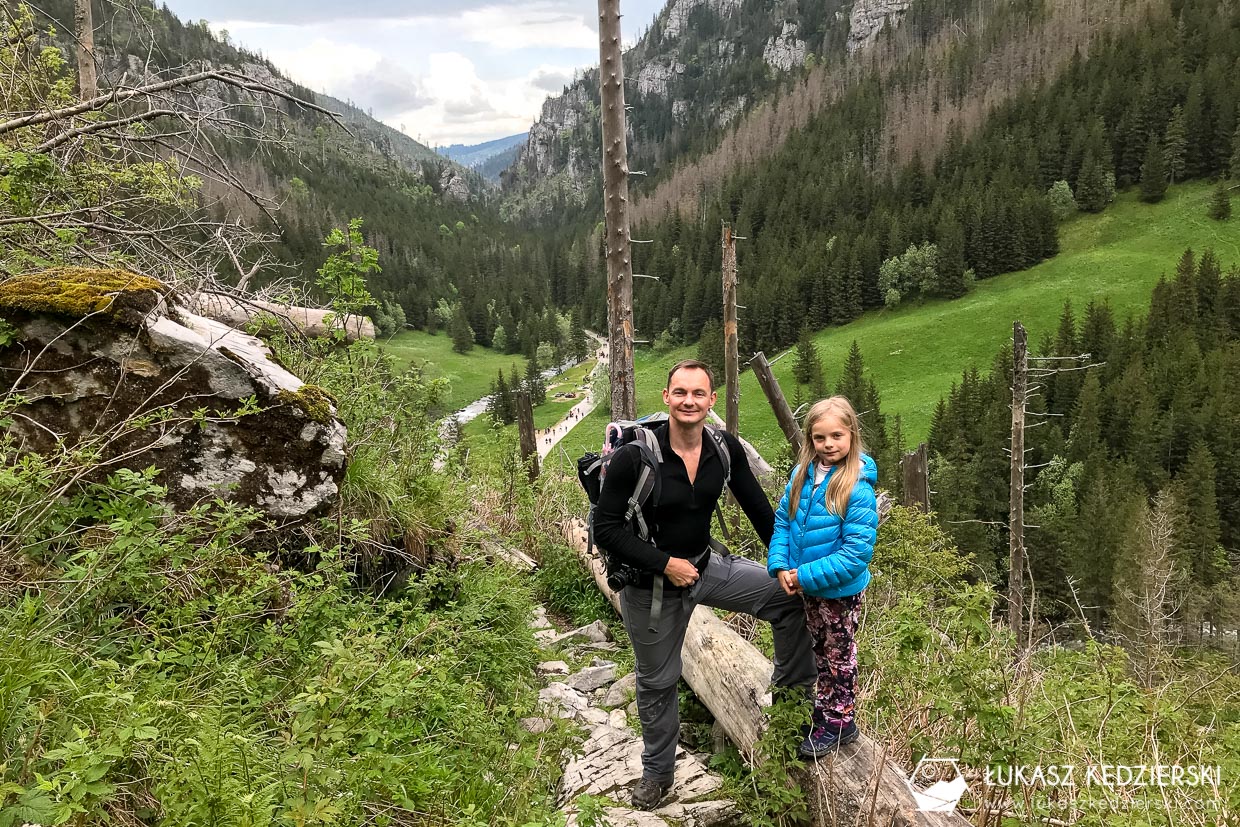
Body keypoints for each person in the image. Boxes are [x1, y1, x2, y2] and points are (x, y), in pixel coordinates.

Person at [593, 359, 816, 811]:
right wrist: (665, 563)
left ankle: (794, 713)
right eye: (680, 393)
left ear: (712, 401)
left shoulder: (721, 447)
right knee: (658, 680)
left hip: (706, 566)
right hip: (649, 585)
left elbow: (759, 511)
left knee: (790, 601)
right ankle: (658, 775)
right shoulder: (635, 456)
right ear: (666, 398)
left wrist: (787, 567)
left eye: (699, 394)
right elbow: (606, 530)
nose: (689, 401)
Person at [768, 396, 878, 758]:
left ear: (851, 435)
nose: (828, 444)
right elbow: (783, 521)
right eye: (819, 438)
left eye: (836, 436)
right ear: (809, 440)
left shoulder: (857, 487)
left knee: (840, 654)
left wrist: (803, 576)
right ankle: (826, 709)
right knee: (820, 650)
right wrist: (781, 566)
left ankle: (841, 720)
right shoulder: (802, 476)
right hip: (808, 586)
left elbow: (856, 555)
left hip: (839, 592)